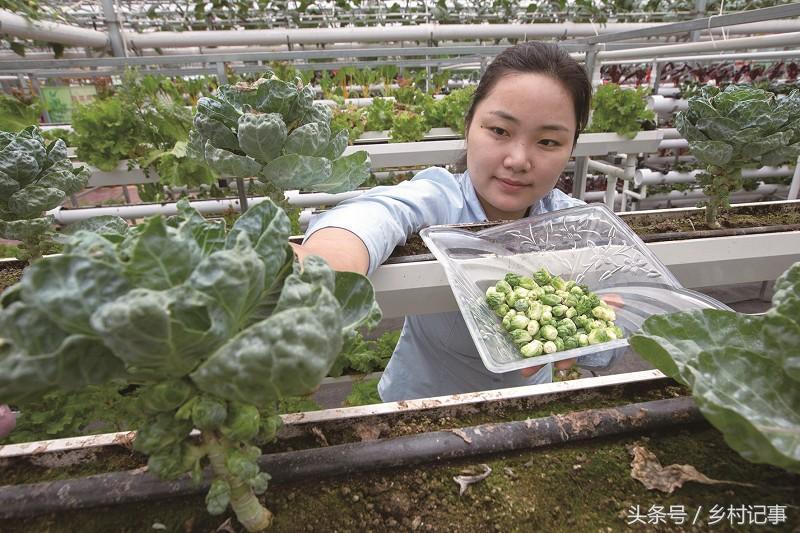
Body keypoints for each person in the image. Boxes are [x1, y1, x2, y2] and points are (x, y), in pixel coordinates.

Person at [291, 41, 592, 402]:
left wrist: (596, 327)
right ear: (469, 126)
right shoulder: (442, 198)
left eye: (547, 141)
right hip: (421, 406)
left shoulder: (573, 221)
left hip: (526, 406)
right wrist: (322, 276)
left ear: (571, 149)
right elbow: (377, 213)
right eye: (500, 131)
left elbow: (609, 340)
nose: (518, 160)